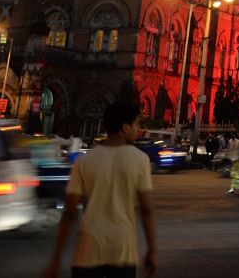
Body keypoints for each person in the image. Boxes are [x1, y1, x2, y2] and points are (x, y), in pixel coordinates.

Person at [44, 102, 156, 278]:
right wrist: (152, 250)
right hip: (122, 251)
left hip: (88, 249)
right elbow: (147, 209)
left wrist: (56, 258)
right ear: (125, 128)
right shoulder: (140, 159)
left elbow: (70, 213)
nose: (139, 129)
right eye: (137, 124)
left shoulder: (83, 162)